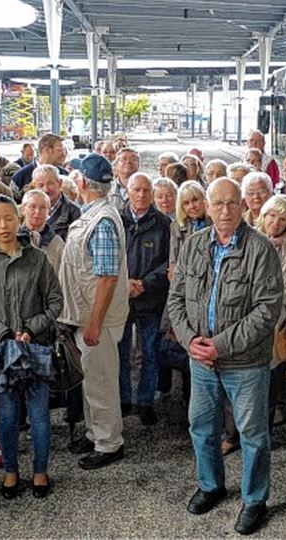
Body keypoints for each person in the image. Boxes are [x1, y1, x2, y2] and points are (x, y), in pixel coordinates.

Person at [166, 177, 283, 536]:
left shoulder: (260, 249)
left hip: (245, 362)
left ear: (244, 206)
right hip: (200, 360)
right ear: (207, 205)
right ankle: (211, 485)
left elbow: (267, 309)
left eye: (232, 203)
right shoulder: (194, 244)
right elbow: (176, 299)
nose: (225, 210)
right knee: (202, 427)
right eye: (217, 203)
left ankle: (254, 499)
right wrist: (190, 342)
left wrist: (221, 345)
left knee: (252, 433)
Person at [0, 195, 63, 500]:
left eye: (8, 218)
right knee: (7, 414)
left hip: (35, 350)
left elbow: (55, 302)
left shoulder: (37, 258)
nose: (3, 225)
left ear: (18, 217)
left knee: (38, 415)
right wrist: (5, 333)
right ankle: (11, 471)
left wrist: (30, 330)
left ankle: (40, 470)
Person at [59, 153, 130, 471]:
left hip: (95, 319)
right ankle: (95, 433)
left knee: (100, 381)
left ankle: (109, 443)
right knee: (91, 380)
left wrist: (95, 324)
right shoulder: (94, 214)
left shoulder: (101, 221)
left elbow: (107, 277)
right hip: (87, 315)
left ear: (83, 182)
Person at [117, 173, 171, 425]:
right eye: (136, 190)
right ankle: (123, 398)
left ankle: (146, 401)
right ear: (127, 191)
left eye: (146, 190)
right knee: (122, 352)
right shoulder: (117, 219)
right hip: (121, 298)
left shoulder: (163, 224)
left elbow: (167, 263)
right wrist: (124, 283)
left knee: (150, 352)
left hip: (151, 298)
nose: (141, 195)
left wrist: (145, 284)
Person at [256, 194, 286, 426]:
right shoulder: (249, 241)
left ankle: (269, 416)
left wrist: (276, 290)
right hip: (247, 320)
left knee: (272, 376)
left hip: (277, 323)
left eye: (283, 219)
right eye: (272, 216)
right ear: (263, 216)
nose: (276, 223)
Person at [32, 164, 80, 240]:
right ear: (34, 186)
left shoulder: (75, 213)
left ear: (60, 184)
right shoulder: (25, 210)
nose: (46, 190)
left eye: (50, 183)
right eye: (40, 185)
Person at [21, 189, 65, 272]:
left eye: (42, 208)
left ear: (49, 212)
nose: (37, 212)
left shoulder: (57, 244)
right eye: (32, 207)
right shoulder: (13, 238)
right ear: (23, 209)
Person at [110, 147, 140, 211]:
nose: (128, 161)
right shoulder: (108, 190)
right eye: (123, 159)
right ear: (116, 165)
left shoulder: (147, 189)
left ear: (138, 165)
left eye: (133, 159)